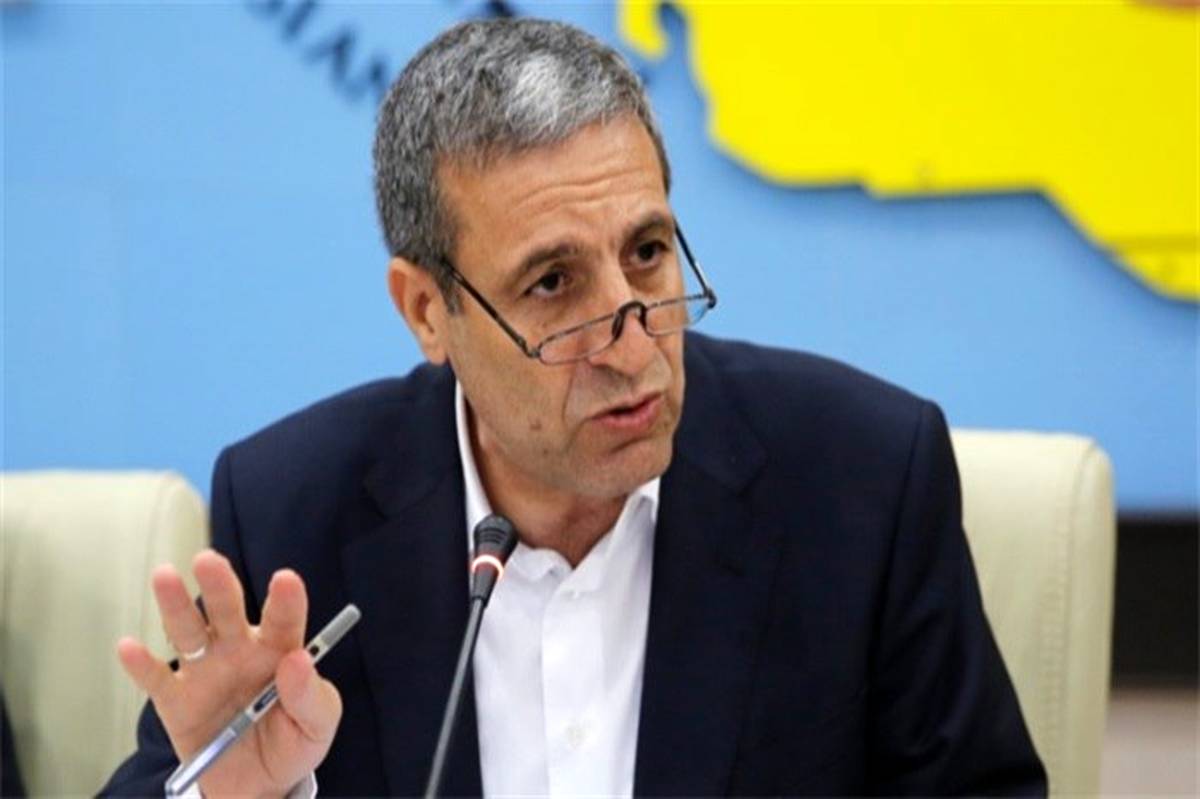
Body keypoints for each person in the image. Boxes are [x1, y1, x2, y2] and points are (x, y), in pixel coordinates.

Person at [102, 17, 1045, 797]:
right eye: (552, 283)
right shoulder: (294, 511)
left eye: (647, 253)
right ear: (427, 310)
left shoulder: (863, 480)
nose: (633, 347)